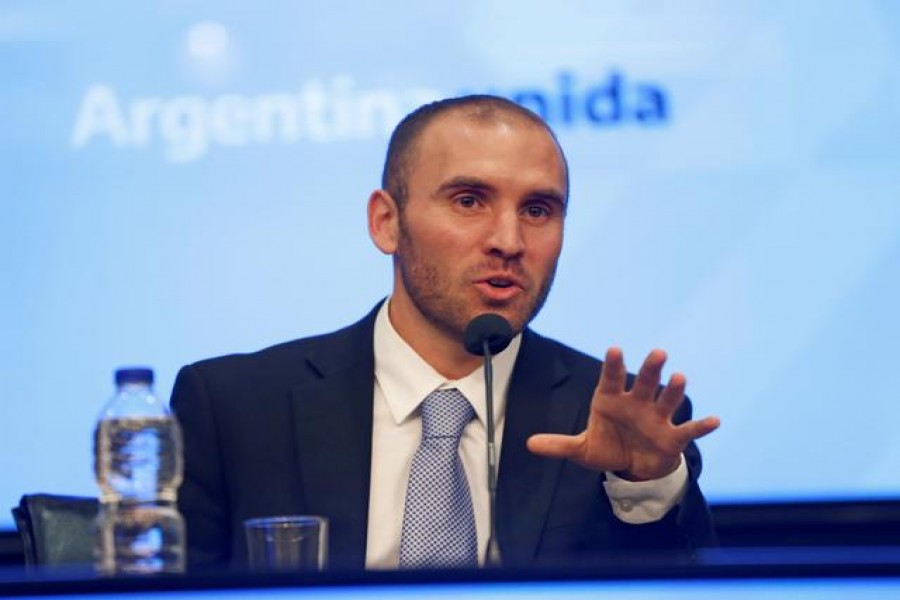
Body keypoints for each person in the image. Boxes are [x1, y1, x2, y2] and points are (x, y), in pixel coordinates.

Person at [170, 95, 720, 571]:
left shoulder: (618, 417)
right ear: (387, 222)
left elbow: (686, 587)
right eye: (468, 201)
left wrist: (646, 485)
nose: (508, 240)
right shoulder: (234, 409)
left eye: (537, 209)